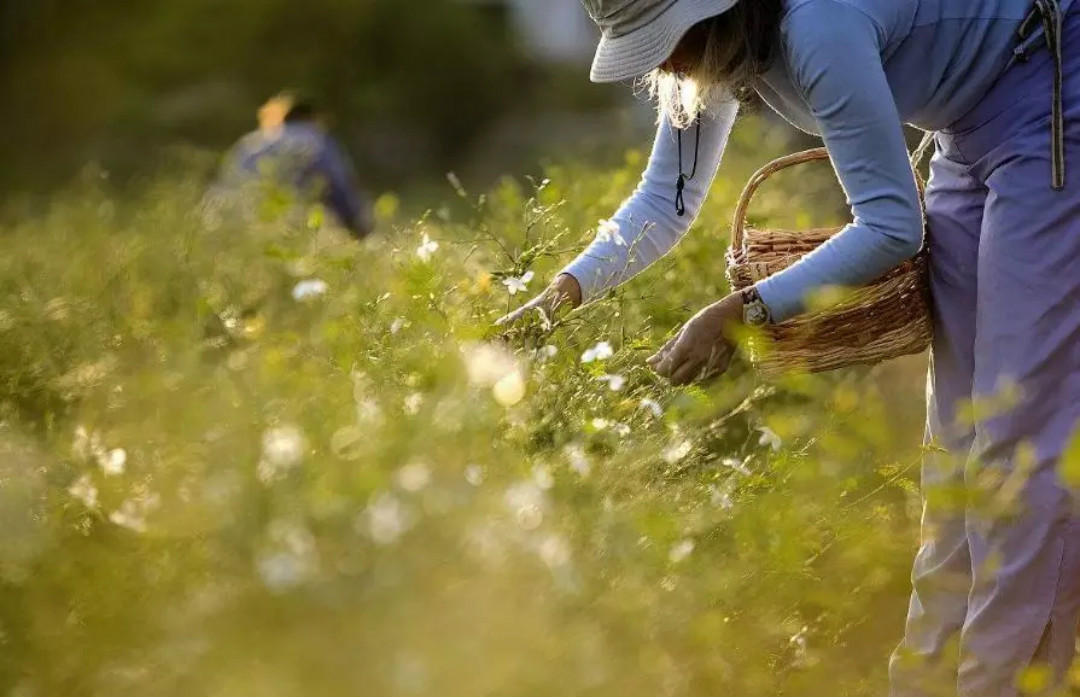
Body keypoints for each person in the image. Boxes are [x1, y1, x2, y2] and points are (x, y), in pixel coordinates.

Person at [498, 0, 1080, 694]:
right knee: (955, 441)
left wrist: (746, 310)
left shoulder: (816, 28)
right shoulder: (724, 50)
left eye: (660, 41)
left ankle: (1006, 682)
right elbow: (668, 197)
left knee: (1019, 435)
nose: (659, 62)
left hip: (1048, 78)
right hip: (965, 127)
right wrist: (561, 294)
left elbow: (893, 226)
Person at [206, 92, 374, 239]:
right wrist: (359, 229)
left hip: (225, 225)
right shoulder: (315, 139)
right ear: (315, 117)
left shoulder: (250, 142)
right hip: (277, 227)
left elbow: (221, 186)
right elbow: (339, 189)